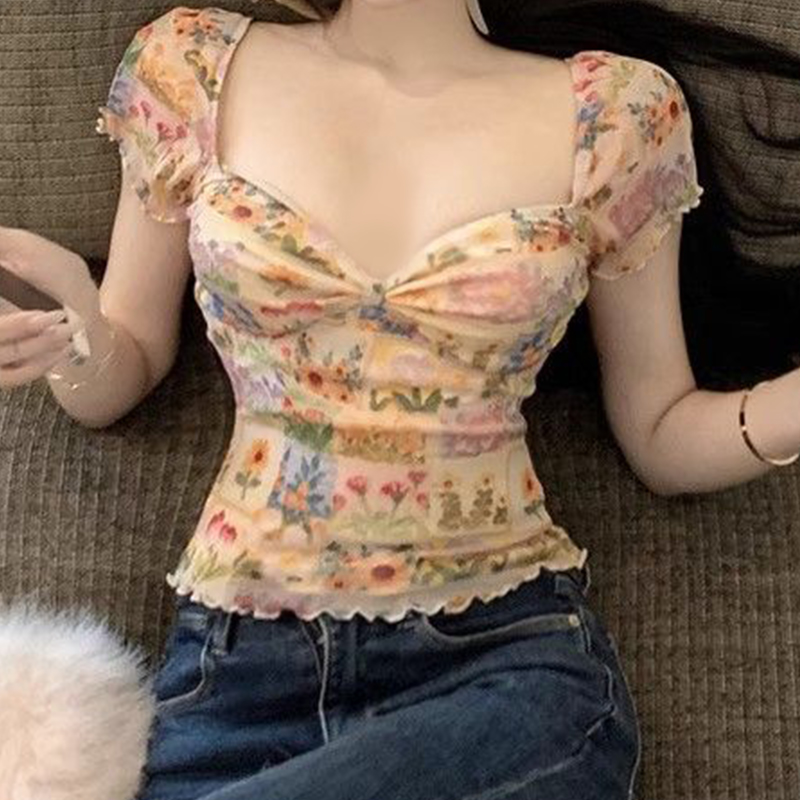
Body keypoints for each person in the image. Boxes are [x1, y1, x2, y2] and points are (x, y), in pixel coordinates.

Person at [1, 1, 798, 798]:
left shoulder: (617, 115)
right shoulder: (189, 67)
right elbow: (122, 372)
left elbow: (661, 434)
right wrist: (76, 332)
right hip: (237, 685)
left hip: (501, 674)